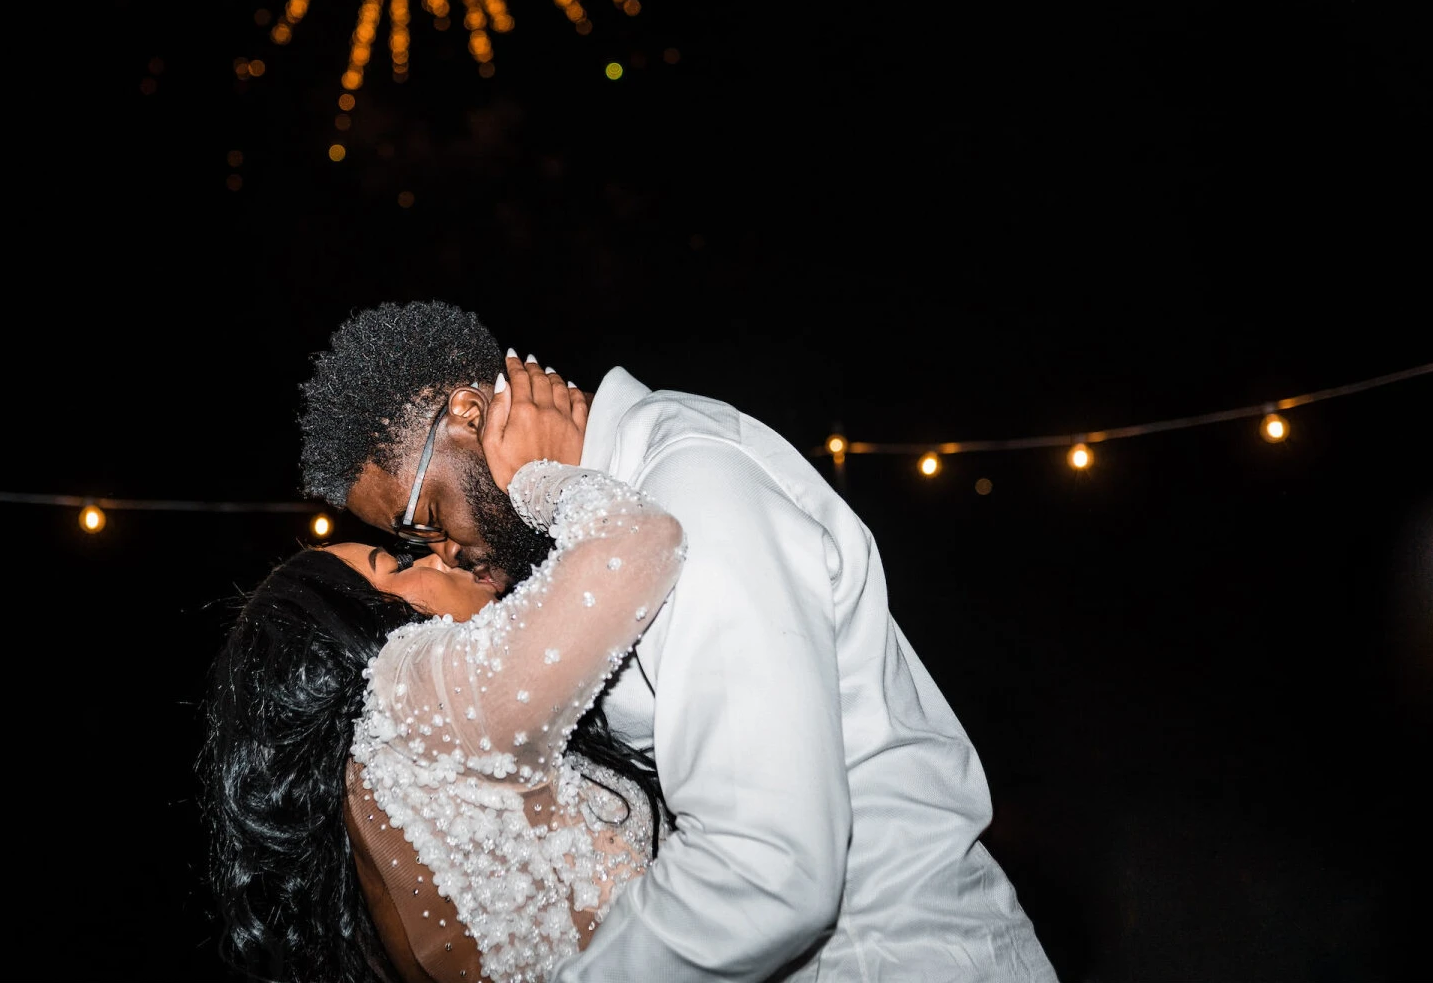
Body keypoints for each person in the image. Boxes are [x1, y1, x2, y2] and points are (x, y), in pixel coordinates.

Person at [297, 302, 1058, 983]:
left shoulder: (690, 486)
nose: (443, 553)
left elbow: (765, 870)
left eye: (425, 515)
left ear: (469, 411)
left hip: (896, 955)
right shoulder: (590, 533)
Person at [202, 364, 684, 983]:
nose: (439, 553)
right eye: (395, 561)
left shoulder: (388, 768)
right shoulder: (408, 691)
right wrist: (540, 475)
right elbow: (640, 541)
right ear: (364, 631)